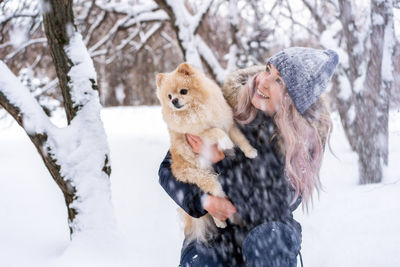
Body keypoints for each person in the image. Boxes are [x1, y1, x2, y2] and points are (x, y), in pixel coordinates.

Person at [158, 47, 339, 267]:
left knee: (270, 243)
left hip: (267, 234)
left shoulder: (301, 143)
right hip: (215, 233)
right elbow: (169, 169)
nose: (263, 82)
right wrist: (203, 200)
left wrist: (221, 160)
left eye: (279, 81)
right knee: (205, 259)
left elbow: (273, 204)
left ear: (294, 99)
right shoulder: (222, 106)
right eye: (267, 70)